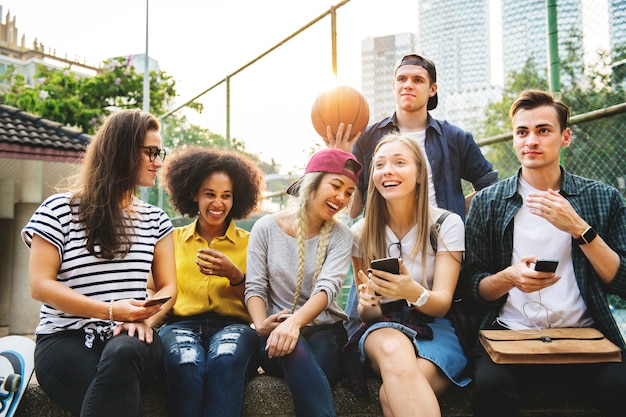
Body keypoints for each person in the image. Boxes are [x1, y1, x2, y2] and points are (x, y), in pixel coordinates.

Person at [460, 89, 626, 417]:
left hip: (585, 337)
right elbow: (470, 288)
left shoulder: (602, 198)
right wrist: (510, 278)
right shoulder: (488, 202)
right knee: (490, 389)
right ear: (513, 139)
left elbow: (622, 282)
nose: (531, 140)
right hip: (508, 336)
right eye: (522, 132)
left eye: (543, 130)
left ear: (565, 137)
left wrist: (580, 228)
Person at [326, 53, 498, 337]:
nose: (408, 85)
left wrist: (455, 212)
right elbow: (355, 209)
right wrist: (341, 162)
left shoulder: (455, 138)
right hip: (384, 247)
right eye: (402, 79)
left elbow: (489, 187)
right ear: (393, 86)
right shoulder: (369, 137)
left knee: (444, 324)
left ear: (433, 89)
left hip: (436, 251)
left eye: (418, 80)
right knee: (366, 322)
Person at [21, 109, 177, 417]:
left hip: (134, 339)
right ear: (121, 150)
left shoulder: (156, 220)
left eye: (160, 153)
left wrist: (144, 320)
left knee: (124, 352)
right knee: (111, 392)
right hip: (63, 340)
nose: (158, 162)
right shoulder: (58, 210)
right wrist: (109, 311)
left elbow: (169, 286)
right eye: (150, 152)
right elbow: (40, 286)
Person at [347, 133, 470, 417]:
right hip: (385, 327)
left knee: (390, 395)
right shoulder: (360, 233)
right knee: (393, 349)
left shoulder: (445, 224)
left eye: (399, 162)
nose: (387, 170)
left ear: (418, 174)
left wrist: (411, 291)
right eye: (379, 165)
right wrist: (368, 305)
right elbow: (370, 316)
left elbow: (442, 304)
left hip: (437, 326)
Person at [245, 148, 362, 417]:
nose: (342, 198)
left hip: (325, 334)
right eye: (336, 186)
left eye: (348, 192)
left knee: (304, 357)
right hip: (273, 335)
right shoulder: (265, 227)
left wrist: (294, 323)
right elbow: (255, 287)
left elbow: (328, 288)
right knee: (293, 348)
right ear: (312, 183)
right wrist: (262, 325)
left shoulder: (341, 236)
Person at [157, 146, 263, 417]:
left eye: (226, 196)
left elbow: (259, 302)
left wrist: (234, 276)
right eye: (210, 194)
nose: (218, 203)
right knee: (186, 363)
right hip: (180, 324)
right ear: (193, 194)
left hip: (234, 326)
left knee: (225, 360)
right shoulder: (172, 239)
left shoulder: (250, 244)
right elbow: (154, 290)